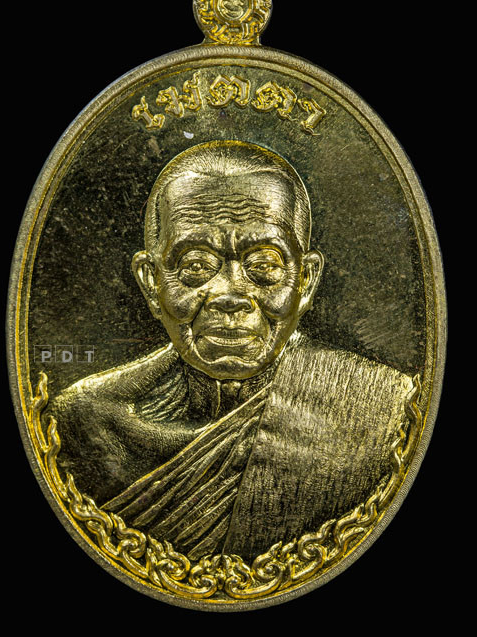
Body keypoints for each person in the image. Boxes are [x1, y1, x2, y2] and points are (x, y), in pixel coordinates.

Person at [50, 140, 414, 562]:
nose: (231, 295)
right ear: (151, 281)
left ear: (305, 281)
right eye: (196, 266)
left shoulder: (383, 409)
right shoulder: (80, 423)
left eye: (264, 266)